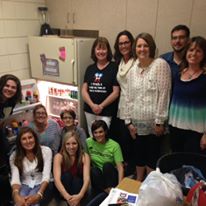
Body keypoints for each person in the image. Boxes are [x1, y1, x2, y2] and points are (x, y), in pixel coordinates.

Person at [124, 33, 171, 181]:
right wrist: (128, 122)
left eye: (145, 45)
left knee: (152, 154)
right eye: (139, 46)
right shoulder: (132, 70)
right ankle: (138, 181)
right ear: (135, 48)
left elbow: (164, 93)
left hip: (153, 123)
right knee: (139, 154)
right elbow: (128, 97)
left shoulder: (160, 65)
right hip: (136, 122)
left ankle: (150, 183)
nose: (142, 49)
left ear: (151, 47)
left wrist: (159, 121)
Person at [169, 36, 206, 155]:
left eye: (198, 51)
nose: (194, 54)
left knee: (192, 168)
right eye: (191, 50)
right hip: (175, 128)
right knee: (176, 164)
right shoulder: (179, 74)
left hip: (196, 132)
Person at [81, 37, 120, 136]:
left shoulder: (114, 67)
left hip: (106, 111)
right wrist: (92, 105)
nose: (101, 52)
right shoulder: (90, 69)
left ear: (108, 51)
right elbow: (84, 90)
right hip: (90, 110)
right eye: (98, 49)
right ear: (94, 51)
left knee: (103, 137)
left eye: (103, 49)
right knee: (92, 136)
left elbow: (116, 92)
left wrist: (101, 106)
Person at [111, 30, 135, 175]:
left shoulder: (136, 61)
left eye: (126, 42)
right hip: (121, 107)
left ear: (131, 43)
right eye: (120, 43)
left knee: (132, 141)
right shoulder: (119, 62)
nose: (123, 46)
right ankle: (124, 168)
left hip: (133, 107)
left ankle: (132, 171)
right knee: (123, 140)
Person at [9, 127, 52, 206]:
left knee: (33, 203)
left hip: (42, 184)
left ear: (34, 138)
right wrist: (16, 195)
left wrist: (39, 194)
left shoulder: (46, 151)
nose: (28, 141)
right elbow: (15, 179)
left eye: (30, 137)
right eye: (24, 139)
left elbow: (46, 176)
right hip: (24, 184)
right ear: (20, 142)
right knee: (20, 202)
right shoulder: (14, 156)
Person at [86, 120, 124, 201]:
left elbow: (120, 168)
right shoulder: (88, 142)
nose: (98, 135)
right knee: (93, 170)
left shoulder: (114, 145)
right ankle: (108, 192)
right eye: (95, 132)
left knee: (107, 165)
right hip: (97, 177)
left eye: (100, 132)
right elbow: (86, 162)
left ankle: (109, 190)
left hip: (110, 175)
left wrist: (120, 187)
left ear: (105, 132)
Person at [0, 74, 22, 206]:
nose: (9, 89)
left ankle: (8, 197)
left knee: (7, 157)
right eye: (7, 86)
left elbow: (4, 118)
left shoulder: (10, 102)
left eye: (13, 87)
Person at [53, 131, 90, 206]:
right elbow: (57, 180)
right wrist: (67, 197)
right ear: (64, 145)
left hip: (79, 190)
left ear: (78, 144)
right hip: (63, 191)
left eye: (74, 143)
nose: (71, 147)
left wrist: (80, 195)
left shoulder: (84, 156)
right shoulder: (58, 157)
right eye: (68, 144)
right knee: (67, 176)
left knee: (77, 180)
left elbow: (87, 179)